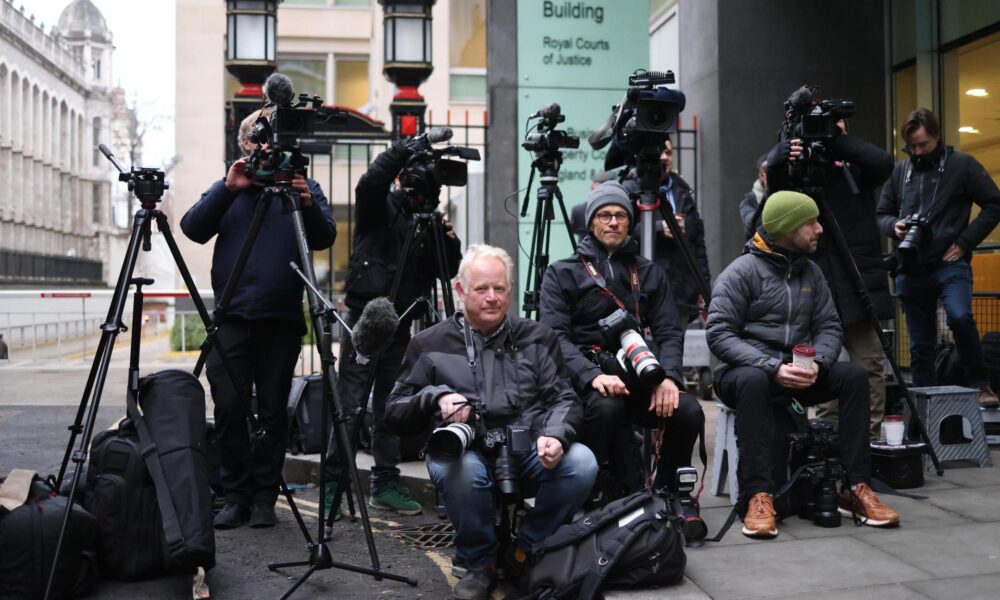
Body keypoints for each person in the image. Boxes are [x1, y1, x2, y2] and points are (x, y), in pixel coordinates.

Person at [385, 244, 596, 600]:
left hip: (528, 447)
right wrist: (434, 397)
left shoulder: (539, 337)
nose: (492, 297)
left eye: (500, 288)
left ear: (510, 290)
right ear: (460, 291)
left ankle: (525, 550)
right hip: (464, 450)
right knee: (459, 468)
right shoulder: (427, 343)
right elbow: (394, 410)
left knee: (582, 462)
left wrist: (556, 436)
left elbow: (564, 398)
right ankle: (478, 561)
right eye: (481, 289)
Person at [707, 190, 899, 539]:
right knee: (753, 380)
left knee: (853, 375)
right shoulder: (741, 273)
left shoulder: (811, 272)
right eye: (811, 222)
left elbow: (829, 326)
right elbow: (719, 335)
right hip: (745, 373)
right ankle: (758, 496)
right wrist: (770, 365)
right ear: (788, 227)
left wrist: (819, 364)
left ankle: (856, 487)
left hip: (797, 372)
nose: (820, 229)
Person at [181, 106, 336, 529]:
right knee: (229, 408)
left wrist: (305, 201)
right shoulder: (230, 188)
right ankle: (236, 495)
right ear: (244, 145)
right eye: (257, 139)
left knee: (272, 414)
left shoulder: (303, 187)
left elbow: (325, 237)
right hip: (231, 318)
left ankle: (266, 496)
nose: (265, 147)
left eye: (271, 140)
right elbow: (192, 228)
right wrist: (228, 188)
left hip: (281, 320)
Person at [539, 181, 705, 507]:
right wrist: (592, 376)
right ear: (591, 223)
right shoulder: (562, 273)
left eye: (620, 215)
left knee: (687, 410)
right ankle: (598, 490)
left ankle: (668, 490)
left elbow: (670, 331)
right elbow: (554, 338)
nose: (613, 222)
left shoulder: (648, 272)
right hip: (589, 382)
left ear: (630, 222)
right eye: (604, 215)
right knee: (606, 406)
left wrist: (668, 378)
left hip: (639, 376)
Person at [324, 136, 462, 517]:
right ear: (402, 177)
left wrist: (448, 242)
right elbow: (368, 183)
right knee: (350, 405)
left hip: (403, 323)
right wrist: (406, 147)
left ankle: (384, 483)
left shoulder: (429, 220)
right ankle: (334, 483)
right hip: (367, 319)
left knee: (391, 406)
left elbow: (446, 271)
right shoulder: (378, 206)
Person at [766, 117, 895, 439]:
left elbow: (883, 163)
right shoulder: (798, 171)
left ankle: (870, 442)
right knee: (822, 366)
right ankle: (829, 439)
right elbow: (776, 199)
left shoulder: (855, 169)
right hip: (816, 281)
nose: (824, 132)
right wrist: (780, 156)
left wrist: (836, 142)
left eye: (834, 126)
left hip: (858, 279)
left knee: (869, 365)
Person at [878, 108, 1000, 408]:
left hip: (950, 262)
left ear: (936, 136)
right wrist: (894, 226)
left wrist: (965, 241)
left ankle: (981, 383)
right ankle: (924, 403)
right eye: (912, 147)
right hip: (910, 264)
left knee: (960, 315)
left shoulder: (962, 165)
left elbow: (994, 203)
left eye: (923, 144)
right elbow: (881, 213)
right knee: (920, 342)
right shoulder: (901, 171)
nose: (918, 152)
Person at [652, 138, 711, 329]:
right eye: (659, 152)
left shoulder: (683, 190)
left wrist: (704, 286)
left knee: (675, 353)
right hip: (648, 292)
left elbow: (698, 243)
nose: (664, 157)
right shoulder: (633, 188)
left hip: (682, 293)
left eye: (668, 153)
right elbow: (624, 231)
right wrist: (660, 228)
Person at [739, 154, 768, 242]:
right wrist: (769, 190)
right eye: (765, 172)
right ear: (760, 174)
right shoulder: (748, 201)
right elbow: (754, 224)